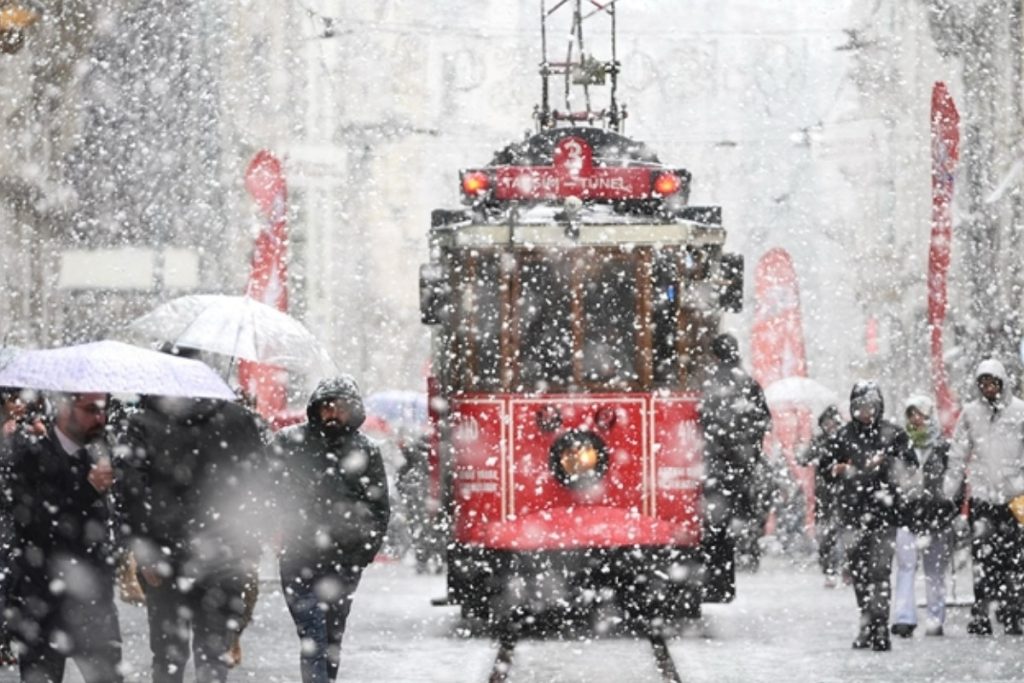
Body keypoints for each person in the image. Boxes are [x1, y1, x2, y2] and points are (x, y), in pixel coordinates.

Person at [115, 393, 267, 683]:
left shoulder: (144, 422)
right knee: (213, 656)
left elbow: (131, 491)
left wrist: (145, 552)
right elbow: (258, 485)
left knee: (168, 657)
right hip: (225, 555)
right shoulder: (238, 419)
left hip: (164, 557)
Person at [272, 376, 390, 683]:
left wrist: (363, 552)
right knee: (313, 635)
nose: (333, 413)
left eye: (340, 407)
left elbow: (379, 508)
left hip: (344, 561)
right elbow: (263, 489)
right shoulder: (287, 443)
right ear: (317, 409)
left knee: (332, 636)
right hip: (299, 557)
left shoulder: (366, 450)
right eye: (328, 407)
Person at [5, 392, 123, 682]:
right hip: (42, 605)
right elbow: (32, 526)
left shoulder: (100, 452)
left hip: (95, 606)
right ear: (63, 408)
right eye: (91, 409)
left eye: (103, 410)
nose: (100, 418)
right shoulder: (29, 455)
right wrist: (85, 490)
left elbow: (109, 522)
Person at [821, 381, 916, 652]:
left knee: (880, 572)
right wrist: (836, 470)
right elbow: (825, 468)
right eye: (860, 407)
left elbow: (910, 466)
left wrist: (886, 463)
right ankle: (868, 623)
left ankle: (880, 627)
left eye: (870, 406)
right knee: (860, 574)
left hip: (884, 514)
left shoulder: (893, 434)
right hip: (851, 514)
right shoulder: (842, 436)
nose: (866, 412)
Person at [943, 358, 1024, 636]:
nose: (988, 388)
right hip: (983, 497)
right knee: (983, 558)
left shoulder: (1019, 412)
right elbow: (957, 453)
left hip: (1015, 498)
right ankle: (981, 613)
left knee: (1016, 558)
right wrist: (950, 489)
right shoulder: (970, 414)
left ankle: (1014, 611)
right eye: (984, 383)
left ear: (1002, 383)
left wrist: (1019, 481)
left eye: (992, 382)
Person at [699, 333, 773, 577]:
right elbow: (764, 420)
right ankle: (747, 551)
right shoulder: (748, 383)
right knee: (746, 506)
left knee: (717, 513)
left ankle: (717, 561)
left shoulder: (708, 383)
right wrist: (749, 445)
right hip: (745, 460)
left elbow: (701, 421)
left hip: (715, 462)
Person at [890, 395, 954, 638]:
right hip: (907, 516)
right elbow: (894, 480)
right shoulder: (901, 446)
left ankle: (936, 619)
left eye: (922, 414)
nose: (917, 419)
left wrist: (951, 508)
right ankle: (904, 618)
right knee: (906, 566)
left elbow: (956, 480)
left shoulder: (943, 448)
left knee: (934, 571)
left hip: (937, 517)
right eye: (912, 414)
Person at [796, 405, 845, 587]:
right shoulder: (819, 441)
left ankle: (848, 568)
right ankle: (829, 571)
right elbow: (804, 459)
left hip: (845, 493)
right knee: (826, 536)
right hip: (825, 495)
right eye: (827, 422)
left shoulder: (846, 439)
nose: (830, 425)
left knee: (847, 533)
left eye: (833, 422)